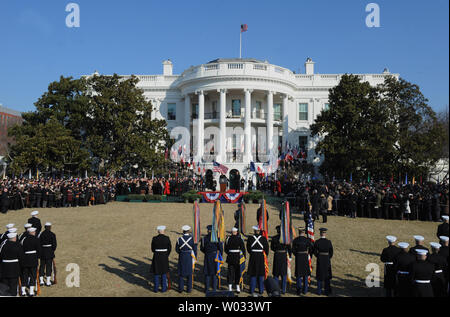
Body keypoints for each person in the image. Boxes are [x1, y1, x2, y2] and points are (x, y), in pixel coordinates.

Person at [246, 225, 269, 297]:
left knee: (253, 273)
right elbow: (266, 248)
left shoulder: (250, 238)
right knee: (260, 273)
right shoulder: (263, 238)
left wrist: (252, 253)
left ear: (254, 231)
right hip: (260, 256)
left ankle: (252, 290)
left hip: (253, 256)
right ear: (259, 231)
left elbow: (248, 248)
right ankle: (261, 290)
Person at [0, 232, 24, 296]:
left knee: (5, 287)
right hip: (14, 269)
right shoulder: (17, 245)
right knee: (13, 286)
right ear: (14, 238)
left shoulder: (3, 245)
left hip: (4, 269)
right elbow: (21, 257)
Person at [270, 225, 292, 294]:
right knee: (283, 273)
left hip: (277, 255)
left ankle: (276, 289)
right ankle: (283, 290)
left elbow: (272, 248)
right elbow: (289, 248)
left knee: (276, 273)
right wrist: (290, 256)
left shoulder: (274, 238)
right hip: (283, 256)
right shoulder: (285, 238)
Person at [292, 227, 313, 295]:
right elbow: (311, 248)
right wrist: (308, 253)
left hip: (298, 257)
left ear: (299, 232)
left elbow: (293, 250)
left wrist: (297, 254)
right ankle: (305, 290)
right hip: (305, 257)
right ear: (303, 232)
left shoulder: (296, 240)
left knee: (298, 274)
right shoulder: (307, 240)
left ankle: (298, 290)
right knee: (305, 274)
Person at [20, 227, 41, 297]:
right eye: (34, 232)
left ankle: (23, 291)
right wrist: (37, 257)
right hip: (33, 260)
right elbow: (39, 250)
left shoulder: (23, 239)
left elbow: (21, 250)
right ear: (32, 232)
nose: (35, 233)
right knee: (33, 275)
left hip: (25, 260)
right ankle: (31, 291)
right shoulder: (36, 239)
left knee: (25, 275)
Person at [175, 225, 197, 293]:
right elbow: (195, 249)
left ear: (183, 231)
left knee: (181, 273)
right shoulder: (192, 239)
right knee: (189, 274)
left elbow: (177, 249)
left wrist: (181, 253)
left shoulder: (179, 239)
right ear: (189, 231)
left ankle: (180, 289)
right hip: (189, 256)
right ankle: (189, 289)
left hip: (182, 256)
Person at [200, 225, 221, 293]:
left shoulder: (204, 238)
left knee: (207, 273)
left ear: (208, 230)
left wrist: (206, 252)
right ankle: (214, 289)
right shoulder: (216, 238)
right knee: (214, 273)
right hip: (215, 256)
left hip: (207, 256)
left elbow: (202, 248)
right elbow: (220, 247)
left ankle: (207, 289)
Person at [150, 225, 172, 293]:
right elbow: (169, 248)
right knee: (164, 272)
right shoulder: (167, 238)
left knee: (156, 273)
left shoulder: (154, 238)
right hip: (164, 257)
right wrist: (166, 254)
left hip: (156, 256)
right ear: (163, 231)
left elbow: (152, 249)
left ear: (158, 231)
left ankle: (156, 288)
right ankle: (163, 289)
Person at [224, 227, 246, 293]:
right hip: (237, 257)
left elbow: (226, 249)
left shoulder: (228, 239)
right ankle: (237, 287)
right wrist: (244, 257)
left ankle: (230, 287)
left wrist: (229, 253)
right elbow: (243, 248)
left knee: (230, 272)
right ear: (236, 232)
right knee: (237, 272)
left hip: (230, 257)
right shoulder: (239, 239)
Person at [313, 228, 333, 296]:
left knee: (319, 275)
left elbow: (315, 252)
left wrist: (318, 256)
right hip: (327, 259)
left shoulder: (317, 242)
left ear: (320, 233)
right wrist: (327, 257)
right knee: (326, 276)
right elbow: (331, 252)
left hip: (320, 259)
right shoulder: (328, 242)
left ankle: (319, 291)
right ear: (325, 233)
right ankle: (327, 291)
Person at [38, 222, 57, 286]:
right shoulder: (52, 234)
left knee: (42, 266)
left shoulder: (41, 234)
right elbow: (54, 245)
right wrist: (52, 251)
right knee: (49, 266)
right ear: (50, 227)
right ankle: (48, 281)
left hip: (42, 252)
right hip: (49, 252)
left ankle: (41, 281)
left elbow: (39, 244)